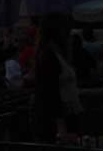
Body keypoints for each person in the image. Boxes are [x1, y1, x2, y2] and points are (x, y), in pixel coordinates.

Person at [31, 13, 82, 144]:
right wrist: (61, 125)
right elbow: (50, 92)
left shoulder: (56, 54)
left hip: (64, 116)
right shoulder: (49, 56)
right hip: (57, 121)